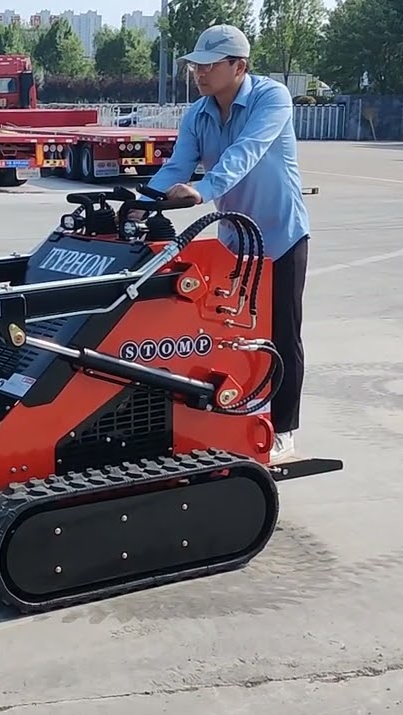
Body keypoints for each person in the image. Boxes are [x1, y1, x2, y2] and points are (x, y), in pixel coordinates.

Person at [142, 23, 310, 463]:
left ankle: (284, 428)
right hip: (235, 242)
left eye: (210, 65)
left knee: (282, 333)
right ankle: (233, 418)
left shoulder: (271, 99)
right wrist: (140, 204)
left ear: (240, 66)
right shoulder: (197, 113)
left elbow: (247, 151)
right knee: (228, 333)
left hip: (280, 236)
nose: (200, 73)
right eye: (196, 65)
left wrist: (205, 189)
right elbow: (177, 165)